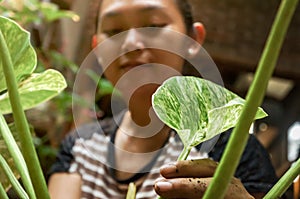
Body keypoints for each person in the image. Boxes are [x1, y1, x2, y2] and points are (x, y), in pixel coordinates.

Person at [47, 0, 277, 198]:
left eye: (153, 25)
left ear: (192, 40)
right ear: (97, 48)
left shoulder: (232, 151)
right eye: (115, 31)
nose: (130, 43)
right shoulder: (80, 147)